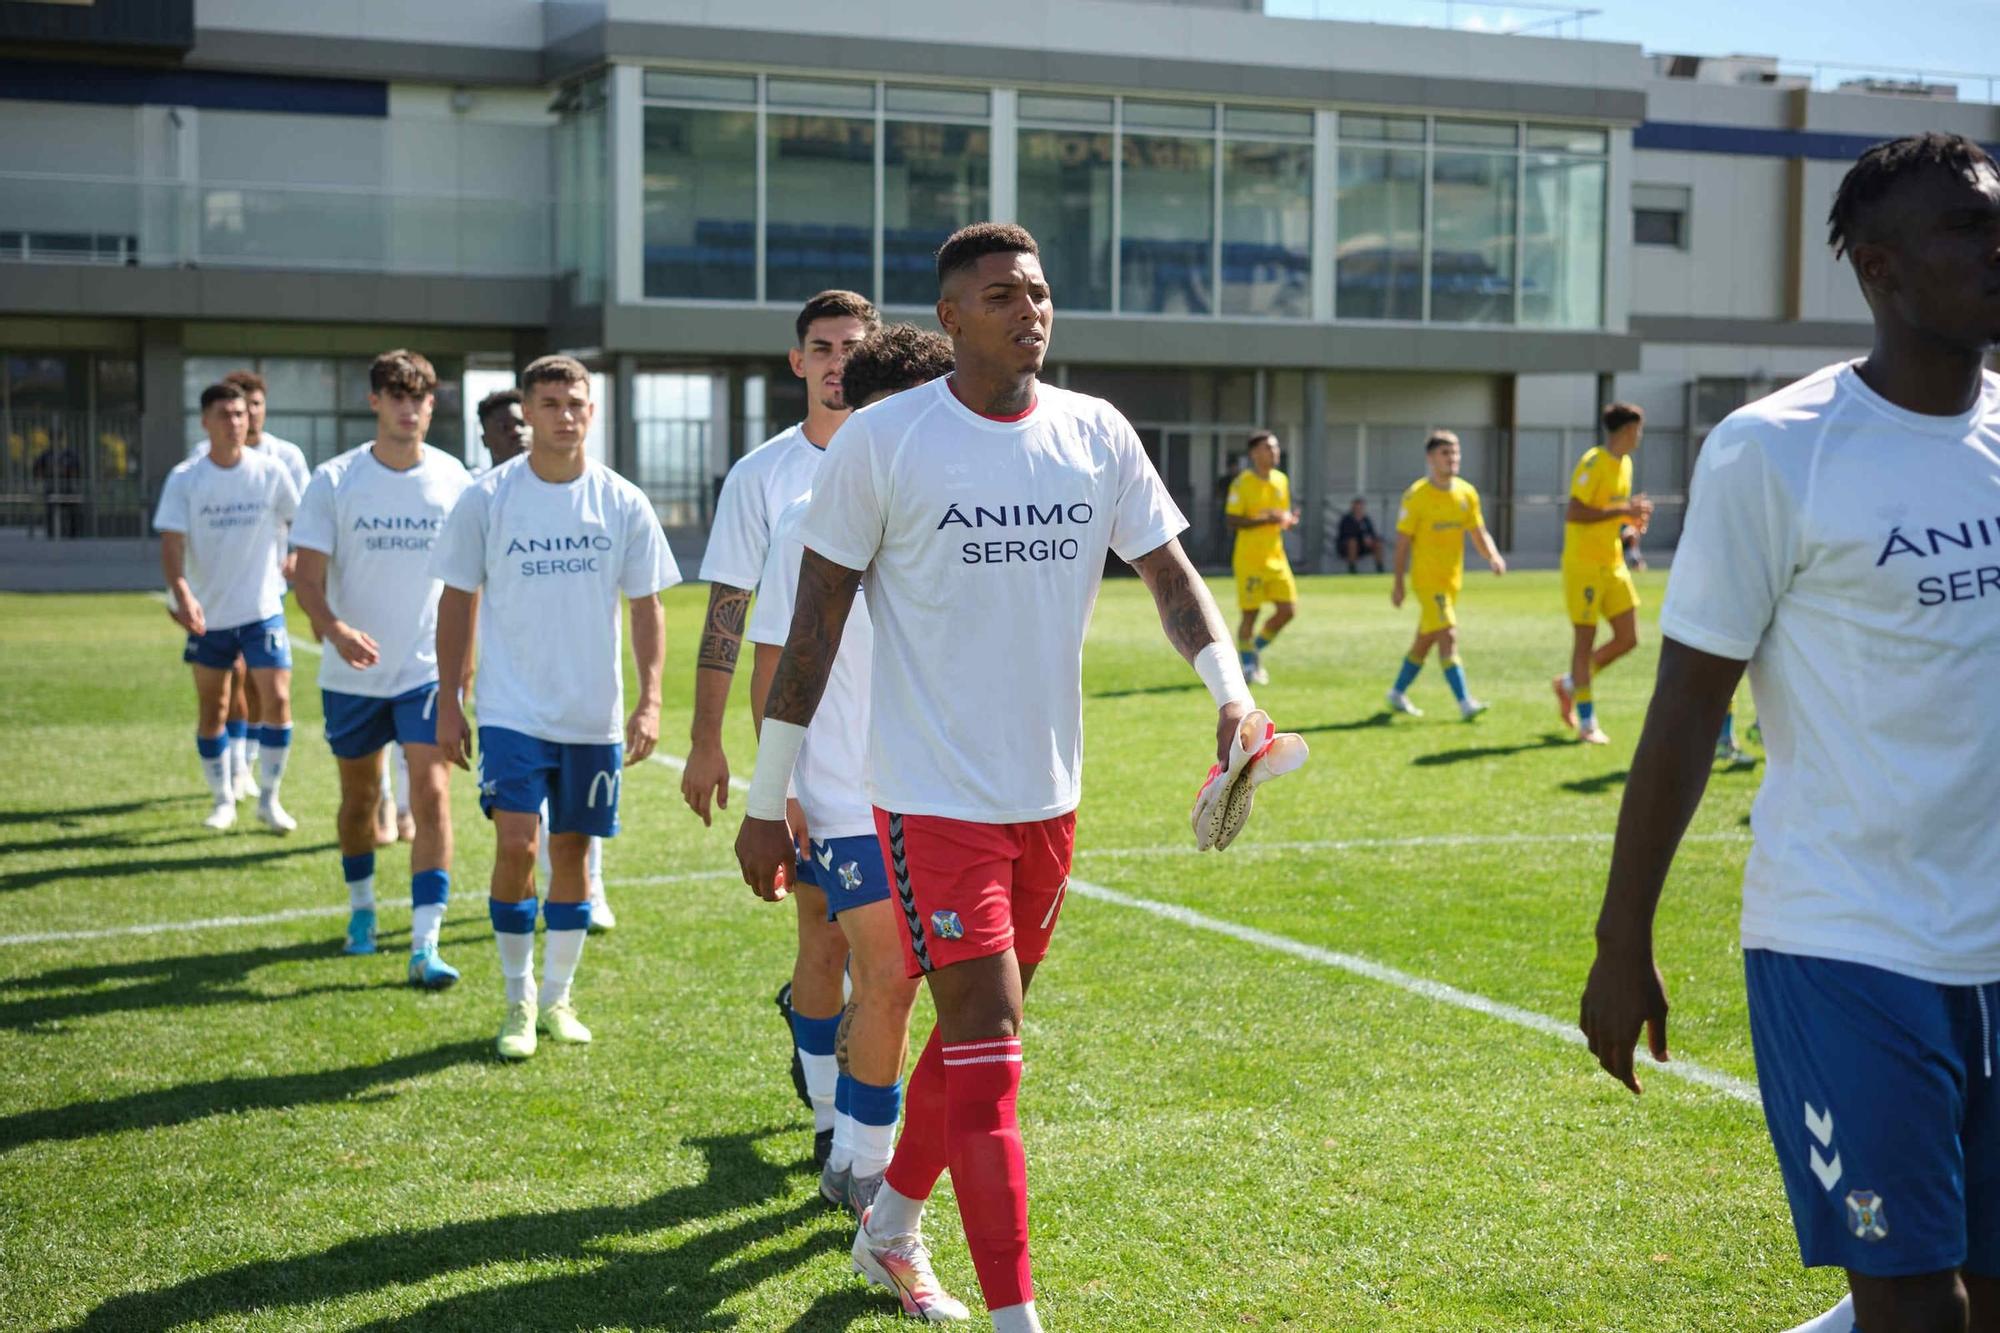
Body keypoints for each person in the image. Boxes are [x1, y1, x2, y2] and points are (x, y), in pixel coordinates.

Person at [735, 223, 1294, 1332]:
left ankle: (885, 1230)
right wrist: (766, 801)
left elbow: (1169, 575)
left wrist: (1226, 691)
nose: (1027, 309)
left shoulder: (1095, 432)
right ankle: (1013, 1317)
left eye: (1037, 291)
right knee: (992, 1067)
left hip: (1049, 801)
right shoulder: (884, 443)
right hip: (930, 802)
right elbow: (807, 637)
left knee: (970, 1043)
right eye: (1000, 294)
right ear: (949, 320)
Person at [1580, 133, 2000, 1333]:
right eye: (1965, 228)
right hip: (1847, 945)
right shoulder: (1774, 449)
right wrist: (1623, 940)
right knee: (1914, 1301)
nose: (1995, 247)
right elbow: (1683, 707)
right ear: (1879, 271)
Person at [743, 322, 956, 1223]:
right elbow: (772, 660)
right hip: (841, 791)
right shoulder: (803, 517)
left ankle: (846, 1138)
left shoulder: (946, 503)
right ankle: (859, 1154)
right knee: (891, 971)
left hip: (939, 787)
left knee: (902, 979)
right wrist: (776, 790)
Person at [431, 355, 678, 1059]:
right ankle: (518, 996)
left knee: (573, 850)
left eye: (576, 402)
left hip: (591, 715)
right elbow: (455, 599)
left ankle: (560, 996)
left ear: (591, 412)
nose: (564, 414)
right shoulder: (488, 497)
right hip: (511, 710)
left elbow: (647, 607)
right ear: (528, 413)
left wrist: (651, 700)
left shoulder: (622, 500)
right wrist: (450, 700)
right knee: (517, 844)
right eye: (549, 403)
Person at [681, 290, 879, 1153]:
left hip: (905, 754)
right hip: (815, 754)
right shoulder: (764, 478)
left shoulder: (905, 457)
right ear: (798, 361)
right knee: (824, 932)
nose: (837, 360)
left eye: (852, 346)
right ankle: (833, 1121)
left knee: (890, 957)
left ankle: (855, 1100)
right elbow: (735, 620)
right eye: (822, 346)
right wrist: (715, 745)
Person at [289, 350, 472, 983]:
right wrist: (334, 630)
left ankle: (425, 943)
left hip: (425, 672)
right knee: (360, 798)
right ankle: (362, 911)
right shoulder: (334, 481)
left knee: (432, 792)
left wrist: (462, 672)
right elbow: (305, 578)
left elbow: (470, 585)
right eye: (396, 395)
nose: (409, 407)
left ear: (431, 405)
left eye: (419, 396)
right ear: (375, 402)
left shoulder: (456, 480)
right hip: (352, 677)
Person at [154, 382, 301, 832]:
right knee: (213, 708)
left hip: (262, 609)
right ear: (205, 421)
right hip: (209, 615)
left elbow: (300, 522)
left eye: (241, 414)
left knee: (277, 699)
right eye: (225, 414)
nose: (236, 422)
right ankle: (222, 801)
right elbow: (172, 545)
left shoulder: (272, 471)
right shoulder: (186, 478)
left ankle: (269, 799)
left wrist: (295, 555)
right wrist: (182, 594)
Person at [206, 370, 312, 807]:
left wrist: (295, 556)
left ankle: (248, 764)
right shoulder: (204, 460)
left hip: (268, 587)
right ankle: (232, 768)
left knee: (261, 680)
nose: (247, 415)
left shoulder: (284, 457)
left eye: (255, 405)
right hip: (220, 591)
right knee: (231, 677)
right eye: (238, 407)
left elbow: (304, 517)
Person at [1551, 402, 1653, 744]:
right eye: (1638, 429)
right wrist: (1625, 509)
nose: (1640, 435)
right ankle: (1587, 723)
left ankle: (1569, 685)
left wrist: (1629, 529)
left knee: (1629, 638)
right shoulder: (1593, 462)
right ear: (1626, 430)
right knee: (1585, 641)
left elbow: (1609, 513)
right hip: (1584, 565)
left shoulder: (1625, 464)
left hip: (1612, 562)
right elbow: (1576, 512)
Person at [1386, 431, 1505, 720]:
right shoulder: (1416, 496)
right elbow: (1402, 543)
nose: (1452, 459)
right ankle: (1465, 703)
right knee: (1448, 634)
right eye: (1445, 453)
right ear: (1430, 458)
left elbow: (1478, 532)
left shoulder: (1466, 493)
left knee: (1425, 641)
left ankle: (1397, 693)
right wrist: (1399, 583)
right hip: (1427, 582)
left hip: (1452, 581)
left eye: (1455, 453)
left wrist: (1493, 556)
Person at [1224, 430, 1299, 685]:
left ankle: (1251, 649)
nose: (1274, 452)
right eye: (1269, 447)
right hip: (1250, 558)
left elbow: (1281, 514)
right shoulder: (1242, 483)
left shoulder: (1281, 480)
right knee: (1250, 615)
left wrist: (1286, 520)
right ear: (1254, 453)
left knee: (1288, 610)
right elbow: (1232, 520)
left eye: (1276, 447)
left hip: (1276, 557)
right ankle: (1247, 665)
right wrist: (1266, 519)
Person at [476, 387, 529, 470]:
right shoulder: (475, 482)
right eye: (504, 427)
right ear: (485, 440)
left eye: (522, 424)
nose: (516, 432)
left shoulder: (554, 481)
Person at [1336, 496, 1385, 573]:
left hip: (1363, 546)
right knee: (1353, 542)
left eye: (1361, 507)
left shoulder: (1366, 519)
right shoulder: (1346, 519)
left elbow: (1372, 533)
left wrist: (1371, 539)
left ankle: (1380, 568)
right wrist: (1362, 538)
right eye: (1357, 507)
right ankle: (1352, 568)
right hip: (1347, 546)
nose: (1359, 509)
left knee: (1378, 543)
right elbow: (1346, 535)